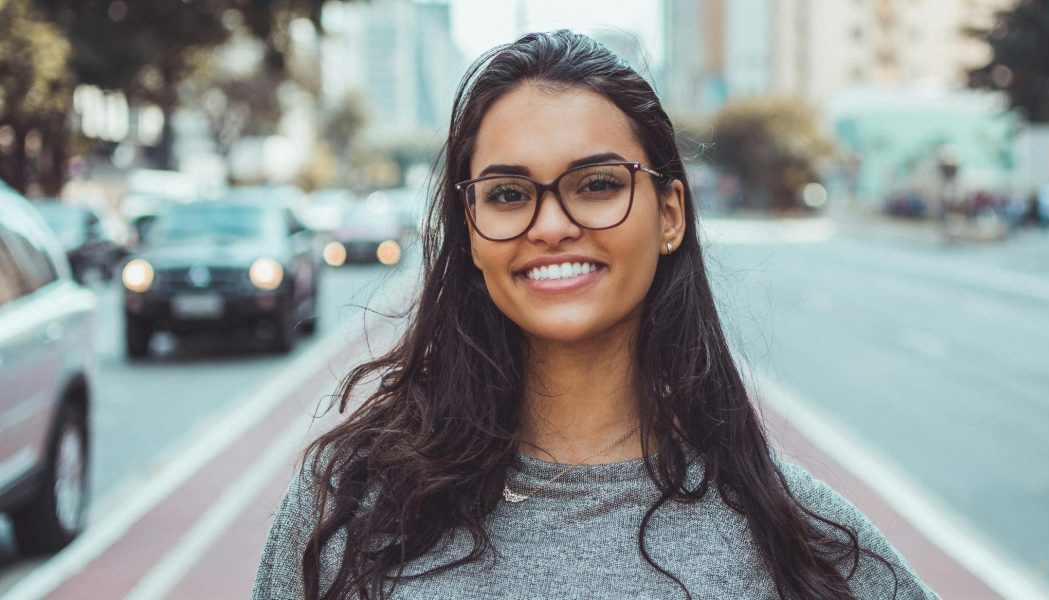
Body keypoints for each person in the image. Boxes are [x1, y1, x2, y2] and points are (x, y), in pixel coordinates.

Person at [253, 30, 938, 600]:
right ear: (468, 231)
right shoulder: (347, 511)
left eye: (599, 185)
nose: (551, 225)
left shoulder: (798, 543)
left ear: (669, 215)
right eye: (509, 193)